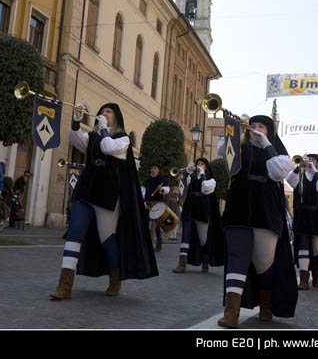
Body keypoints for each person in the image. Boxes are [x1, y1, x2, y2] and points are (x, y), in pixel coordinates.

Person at [49, 102, 158, 300]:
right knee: (75, 233)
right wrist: (76, 121)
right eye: (101, 111)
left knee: (107, 239)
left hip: (107, 194)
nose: (103, 114)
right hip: (86, 189)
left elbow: (108, 148)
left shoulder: (122, 139)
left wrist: (104, 131)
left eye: (108, 112)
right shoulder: (93, 136)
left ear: (116, 116)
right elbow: (74, 139)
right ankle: (64, 285)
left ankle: (115, 277)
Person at [217, 115, 297, 327]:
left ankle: (266, 305)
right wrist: (234, 129)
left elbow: (278, 172)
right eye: (252, 126)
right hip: (239, 206)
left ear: (270, 131)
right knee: (237, 257)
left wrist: (266, 144)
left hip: (265, 209)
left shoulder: (277, 152)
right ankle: (231, 313)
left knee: (264, 263)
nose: (256, 129)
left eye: (261, 126)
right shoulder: (239, 146)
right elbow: (222, 152)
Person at [286, 153, 318, 290]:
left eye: (313, 159)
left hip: (317, 216)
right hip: (302, 215)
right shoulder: (300, 174)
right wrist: (298, 166)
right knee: (303, 247)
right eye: (308, 159)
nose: (310, 161)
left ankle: (316, 275)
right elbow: (290, 181)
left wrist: (315, 172)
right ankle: (304, 280)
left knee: (317, 249)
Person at [172, 157, 223, 274]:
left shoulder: (211, 180)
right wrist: (185, 173)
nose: (199, 165)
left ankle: (205, 262)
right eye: (198, 163)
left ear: (206, 167)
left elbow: (205, 189)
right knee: (186, 234)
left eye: (202, 164)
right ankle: (182, 263)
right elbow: (183, 186)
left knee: (203, 239)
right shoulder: (192, 177)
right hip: (190, 207)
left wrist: (202, 174)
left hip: (202, 210)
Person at [141, 162, 170, 252]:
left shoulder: (162, 179)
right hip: (147, 204)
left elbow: (167, 190)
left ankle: (158, 244)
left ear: (158, 170)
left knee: (157, 225)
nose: (153, 170)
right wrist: (143, 200)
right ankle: (146, 244)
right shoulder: (147, 180)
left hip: (157, 204)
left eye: (155, 168)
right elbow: (142, 191)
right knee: (146, 223)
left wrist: (161, 189)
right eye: (152, 168)